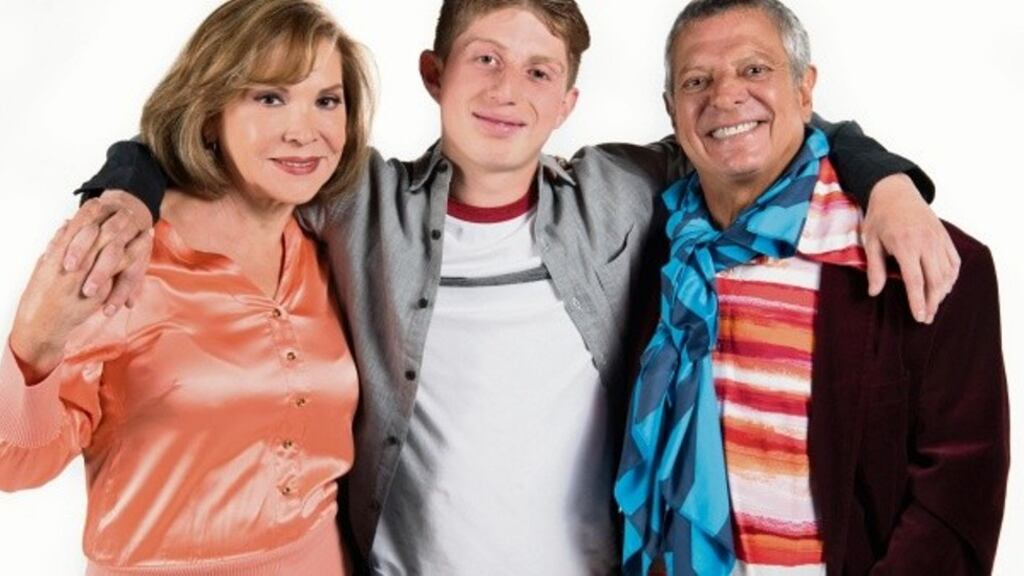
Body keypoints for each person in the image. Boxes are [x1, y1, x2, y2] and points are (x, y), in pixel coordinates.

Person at [58, 1, 958, 573]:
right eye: (483, 60)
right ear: (434, 74)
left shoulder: (621, 191)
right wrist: (126, 186)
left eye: (538, 72)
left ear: (568, 102)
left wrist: (882, 177)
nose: (506, 91)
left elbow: (748, 126)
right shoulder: (356, 199)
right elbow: (216, 146)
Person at [615, 1, 1010, 574]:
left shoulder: (924, 259)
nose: (725, 96)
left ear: (805, 90)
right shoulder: (653, 251)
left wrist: (889, 182)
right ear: (671, 110)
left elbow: (958, 498)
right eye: (696, 80)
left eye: (754, 69)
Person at [0, 0, 373, 573]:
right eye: (269, 97)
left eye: (327, 100)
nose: (304, 132)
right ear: (209, 113)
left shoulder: (330, 243)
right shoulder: (126, 254)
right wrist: (33, 346)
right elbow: (15, 463)